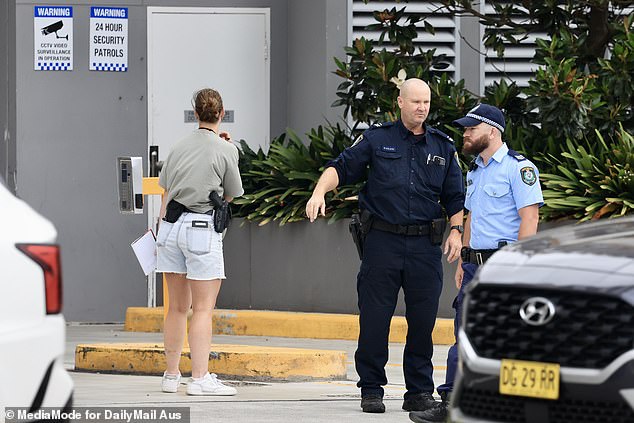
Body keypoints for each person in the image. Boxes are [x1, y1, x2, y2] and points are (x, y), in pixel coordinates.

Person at [306, 78, 465, 414]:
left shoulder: (442, 146)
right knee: (375, 319)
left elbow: (454, 196)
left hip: (424, 245)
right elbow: (341, 166)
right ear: (400, 102)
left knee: (423, 322)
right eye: (415, 102)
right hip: (382, 242)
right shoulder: (378, 139)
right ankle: (372, 388)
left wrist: (455, 230)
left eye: (426, 102)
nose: (422, 108)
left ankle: (419, 391)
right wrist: (320, 191)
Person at [409, 104, 543, 423]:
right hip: (473, 267)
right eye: (465, 129)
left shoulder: (518, 168)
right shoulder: (476, 169)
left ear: (492, 132)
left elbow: (530, 218)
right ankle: (453, 402)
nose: (466, 134)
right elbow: (472, 217)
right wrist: (463, 259)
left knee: (507, 335)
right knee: (464, 334)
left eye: (472, 129)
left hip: (503, 265)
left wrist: (519, 266)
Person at [156, 88, 243, 396]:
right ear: (221, 114)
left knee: (177, 308)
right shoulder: (225, 150)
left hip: (170, 228)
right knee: (203, 308)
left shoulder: (178, 147)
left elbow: (165, 189)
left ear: (195, 114)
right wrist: (228, 151)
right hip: (200, 229)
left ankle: (170, 376)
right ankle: (200, 378)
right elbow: (231, 193)